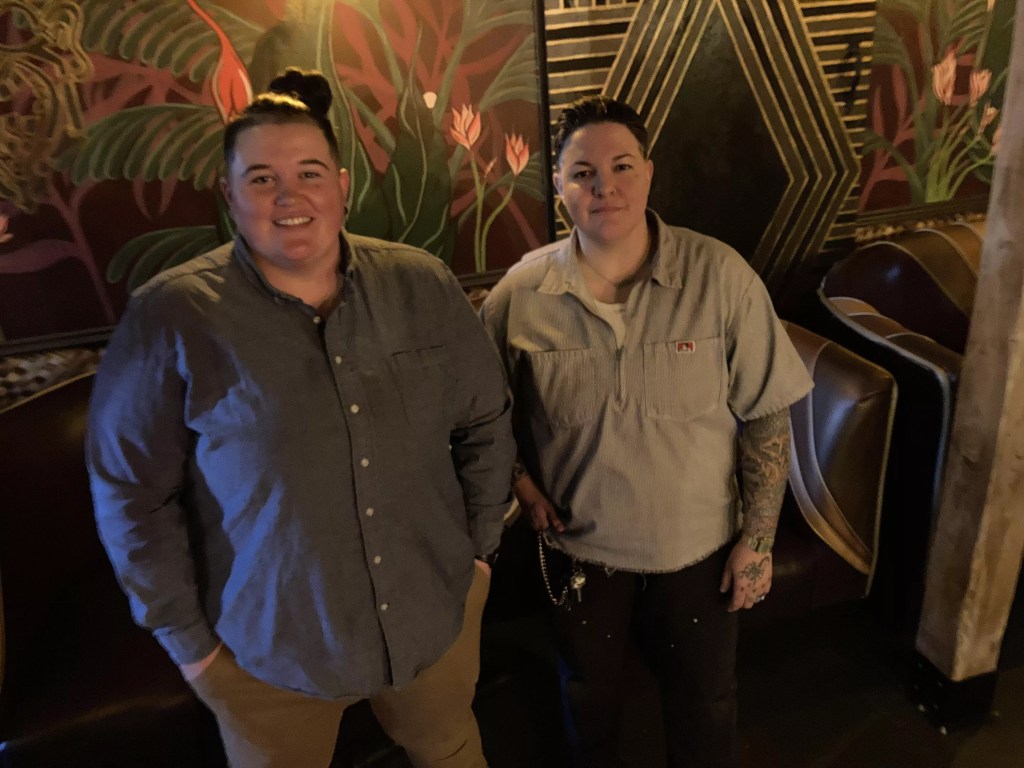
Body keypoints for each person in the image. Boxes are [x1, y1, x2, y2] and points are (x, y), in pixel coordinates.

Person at [86, 68, 515, 768]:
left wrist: (477, 558)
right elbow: (131, 493)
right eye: (261, 178)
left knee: (453, 752)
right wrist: (192, 649)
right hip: (266, 652)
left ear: (342, 185)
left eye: (309, 172)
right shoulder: (171, 316)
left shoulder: (422, 284)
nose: (290, 195)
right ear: (230, 196)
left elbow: (487, 422)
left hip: (432, 619)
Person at [480, 96, 813, 768]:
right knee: (590, 704)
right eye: (583, 173)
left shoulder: (722, 278)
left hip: (701, 552)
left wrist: (759, 540)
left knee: (706, 705)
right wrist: (519, 484)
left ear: (650, 173)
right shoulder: (519, 295)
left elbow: (767, 417)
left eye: (622, 166)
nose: (605, 187)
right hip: (580, 554)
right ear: (559, 188)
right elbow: (482, 414)